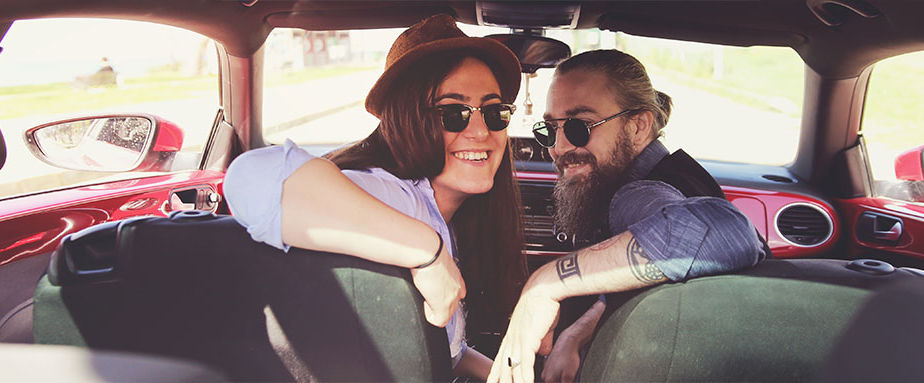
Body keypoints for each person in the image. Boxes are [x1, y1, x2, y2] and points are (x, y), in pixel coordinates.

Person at [222, 14, 526, 380]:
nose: (480, 131)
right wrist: (426, 251)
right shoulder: (391, 197)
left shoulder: (447, 215)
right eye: (454, 113)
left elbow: (440, 348)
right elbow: (250, 179)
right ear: (406, 119)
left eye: (494, 112)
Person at [488, 49, 768, 383]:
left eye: (579, 126)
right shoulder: (671, 172)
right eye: (549, 129)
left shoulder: (636, 193)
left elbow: (730, 232)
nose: (559, 148)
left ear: (638, 126)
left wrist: (545, 283)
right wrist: (578, 332)